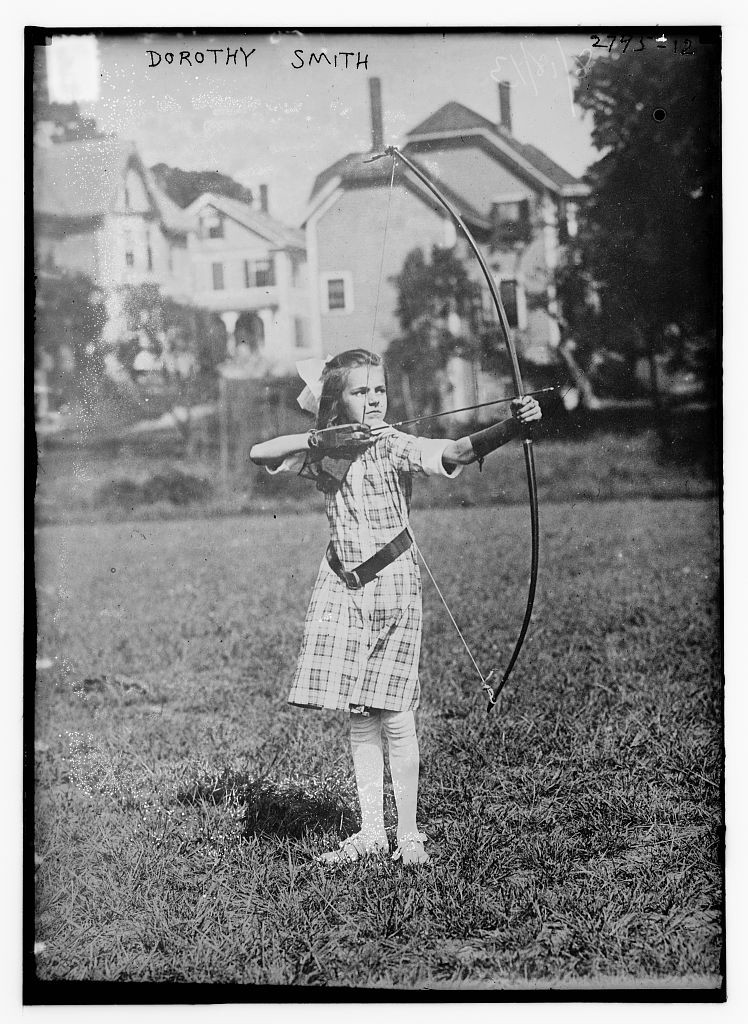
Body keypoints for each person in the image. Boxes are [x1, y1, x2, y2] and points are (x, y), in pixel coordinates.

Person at [249, 349, 541, 866]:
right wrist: (322, 439)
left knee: (397, 713)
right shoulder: (325, 451)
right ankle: (370, 832)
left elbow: (455, 452)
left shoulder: (392, 445)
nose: (374, 400)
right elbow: (259, 451)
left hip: (394, 586)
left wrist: (509, 428)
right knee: (361, 714)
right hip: (341, 585)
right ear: (335, 402)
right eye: (360, 392)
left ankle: (407, 833)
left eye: (379, 390)